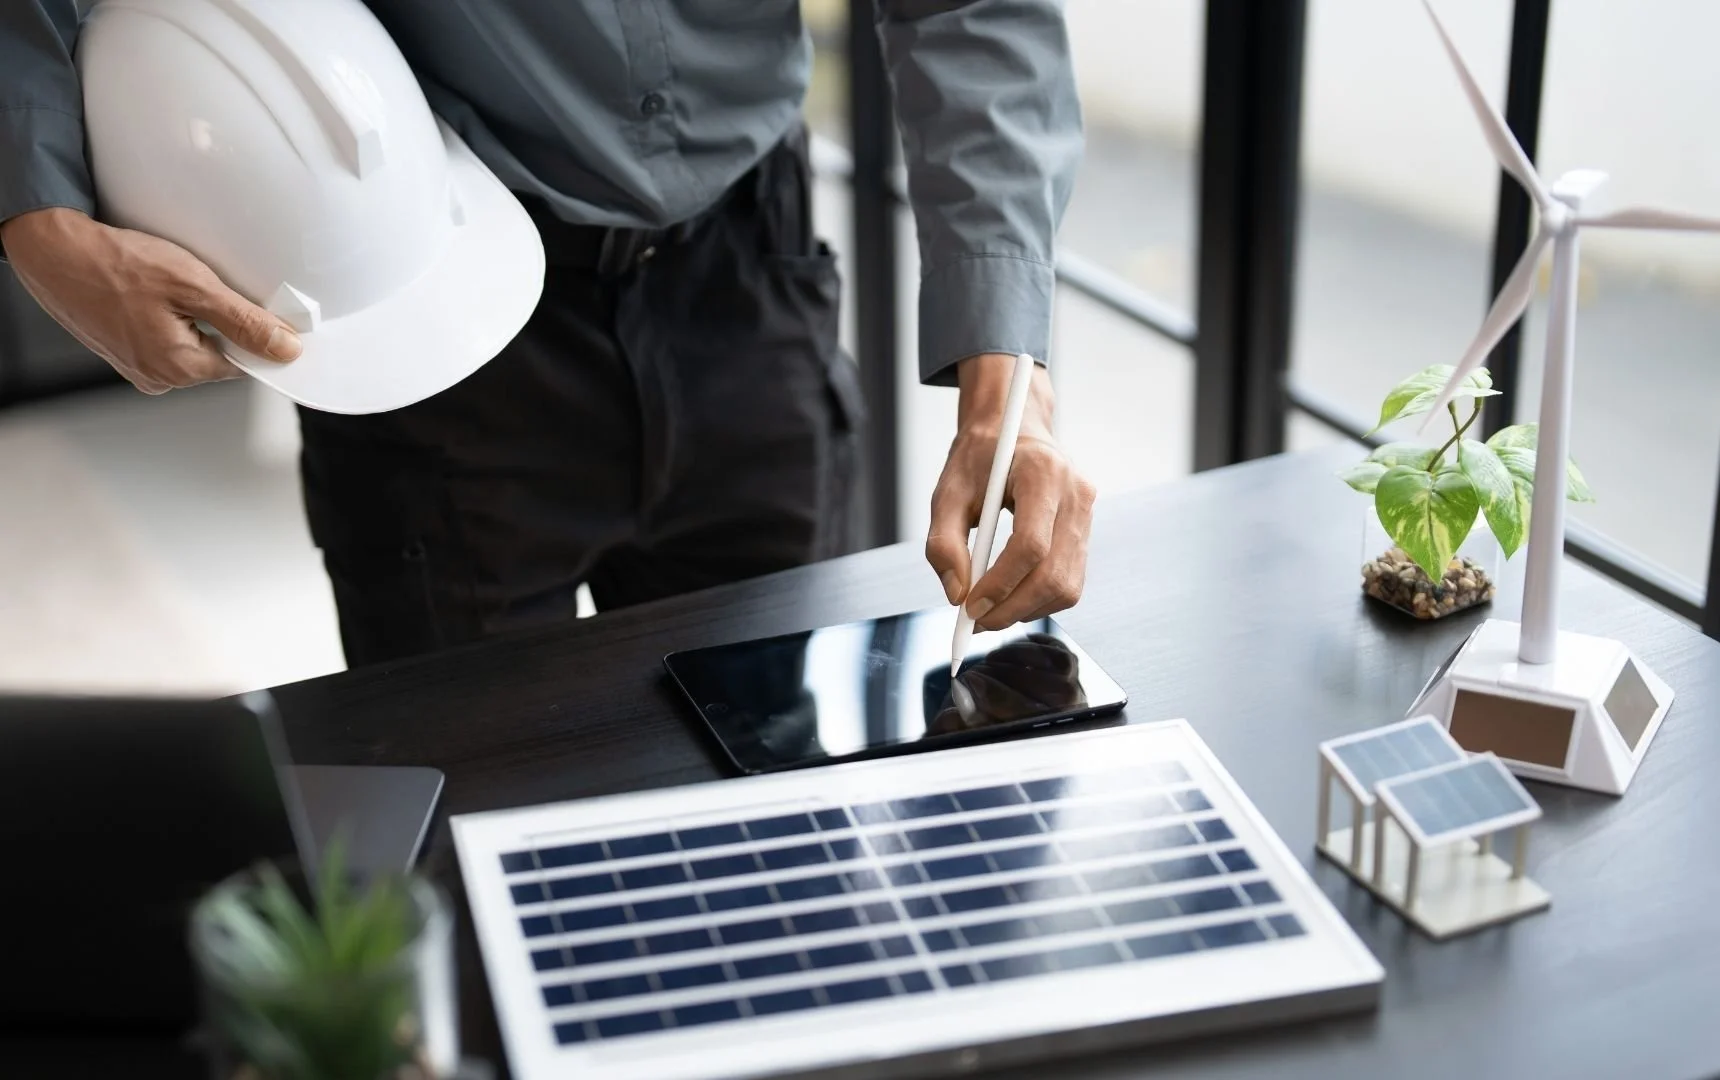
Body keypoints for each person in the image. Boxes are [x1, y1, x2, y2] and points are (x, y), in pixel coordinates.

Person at [0, 0, 1096, 667]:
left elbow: (966, 4)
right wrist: (39, 219)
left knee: (789, 806)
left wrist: (1011, 377)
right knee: (470, 845)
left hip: (752, 279)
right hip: (438, 317)